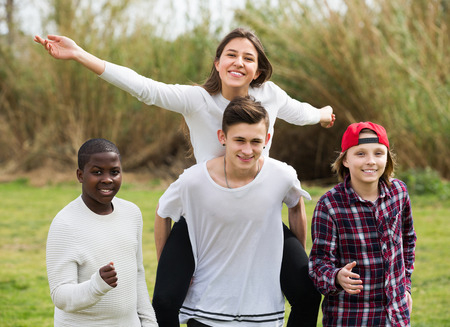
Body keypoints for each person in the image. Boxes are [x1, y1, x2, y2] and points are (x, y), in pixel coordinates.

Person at [35, 27, 334, 326]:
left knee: (307, 294)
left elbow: (300, 112)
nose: (238, 62)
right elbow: (144, 88)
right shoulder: (197, 99)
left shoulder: (269, 95)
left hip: (257, 215)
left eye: (248, 58)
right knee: (164, 301)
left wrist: (323, 114)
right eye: (231, 55)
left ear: (258, 70)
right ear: (217, 63)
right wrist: (79, 54)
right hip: (202, 215)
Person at [158, 95, 311, 327]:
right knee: (163, 302)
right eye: (239, 140)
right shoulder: (194, 181)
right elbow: (163, 212)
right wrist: (165, 267)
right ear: (223, 137)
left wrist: (288, 261)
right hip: (208, 307)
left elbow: (296, 206)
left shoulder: (282, 176)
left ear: (267, 140)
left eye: (255, 141)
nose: (247, 150)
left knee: (309, 293)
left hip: (262, 312)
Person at [308, 122, 417, 326]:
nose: (371, 161)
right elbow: (317, 265)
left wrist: (405, 286)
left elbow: (408, 240)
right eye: (360, 154)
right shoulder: (330, 206)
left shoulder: (399, 193)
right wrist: (336, 277)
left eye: (378, 153)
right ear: (345, 160)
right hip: (352, 317)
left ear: (387, 158)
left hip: (395, 317)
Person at [46, 138, 158, 326]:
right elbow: (60, 296)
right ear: (80, 175)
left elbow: (137, 274)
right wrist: (96, 285)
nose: (107, 179)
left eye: (114, 172)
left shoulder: (132, 213)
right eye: (97, 172)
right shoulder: (65, 224)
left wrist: (149, 322)